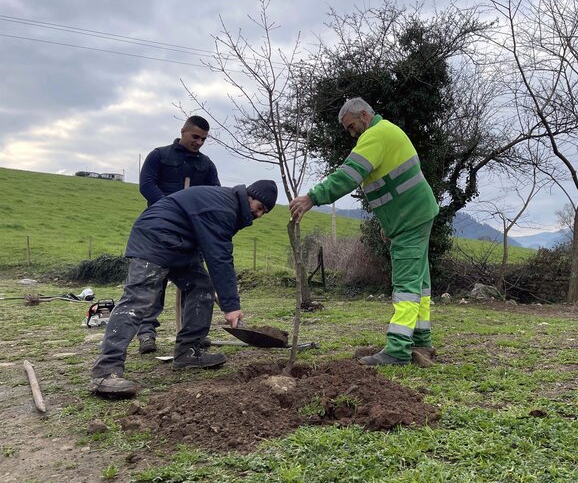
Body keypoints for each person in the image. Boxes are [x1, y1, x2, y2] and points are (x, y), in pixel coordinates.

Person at [89, 180, 278, 397]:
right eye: (260, 207)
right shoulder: (224, 208)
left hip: (179, 245)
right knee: (138, 300)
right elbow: (219, 258)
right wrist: (231, 306)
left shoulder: (229, 206)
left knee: (202, 287)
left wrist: (226, 299)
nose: (260, 215)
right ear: (250, 197)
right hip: (155, 238)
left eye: (265, 212)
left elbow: (204, 241)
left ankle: (187, 352)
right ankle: (105, 372)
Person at [289, 97, 439, 366]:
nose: (350, 133)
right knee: (420, 282)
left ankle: (398, 349)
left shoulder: (374, 136)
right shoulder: (387, 132)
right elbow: (393, 185)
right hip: (414, 215)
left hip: (409, 219)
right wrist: (388, 223)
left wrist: (312, 198)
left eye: (351, 126)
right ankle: (421, 339)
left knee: (405, 285)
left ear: (364, 116)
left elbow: (349, 175)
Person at [137, 115, 221, 354]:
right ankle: (146, 334)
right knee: (154, 283)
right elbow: (147, 185)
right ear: (183, 131)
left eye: (204, 139)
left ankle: (191, 334)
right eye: (195, 137)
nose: (199, 142)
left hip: (191, 234)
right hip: (159, 231)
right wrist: (171, 209)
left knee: (195, 283)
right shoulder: (159, 156)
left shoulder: (206, 165)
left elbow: (214, 194)